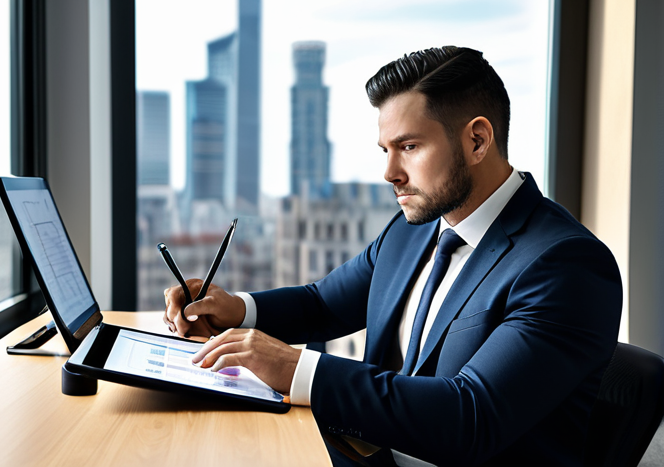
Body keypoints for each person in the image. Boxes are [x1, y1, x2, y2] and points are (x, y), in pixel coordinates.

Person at [163, 46, 622, 466]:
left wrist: (295, 368)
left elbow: (470, 417)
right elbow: (323, 304)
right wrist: (235, 312)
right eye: (386, 150)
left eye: (409, 147)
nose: (389, 173)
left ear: (477, 141)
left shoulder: (567, 266)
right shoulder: (414, 228)